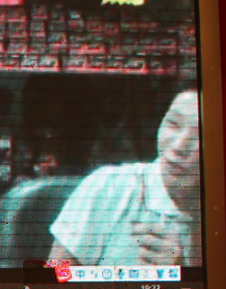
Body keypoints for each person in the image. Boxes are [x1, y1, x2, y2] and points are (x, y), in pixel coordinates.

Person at [49, 88, 202, 267]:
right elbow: (54, 277)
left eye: (201, 135)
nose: (178, 146)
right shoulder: (109, 186)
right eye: (173, 123)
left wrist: (181, 273)